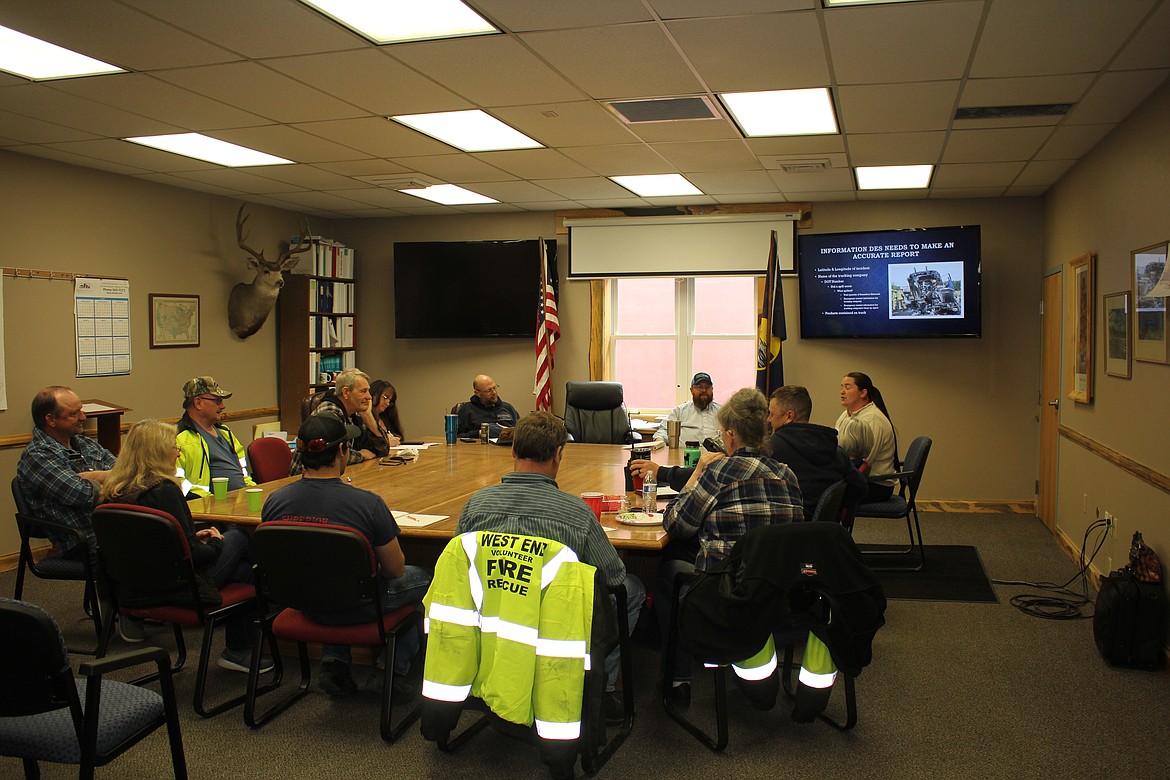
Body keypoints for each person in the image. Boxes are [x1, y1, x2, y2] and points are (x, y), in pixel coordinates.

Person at [456, 411, 646, 723]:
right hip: (556, 629)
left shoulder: (476, 505)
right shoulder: (576, 513)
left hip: (496, 618)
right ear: (559, 453)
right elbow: (613, 577)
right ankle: (602, 690)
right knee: (633, 590)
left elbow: (458, 567)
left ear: (514, 451)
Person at [262, 414, 432, 699]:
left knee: (328, 575)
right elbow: (394, 569)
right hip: (361, 605)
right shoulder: (367, 504)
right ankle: (392, 670)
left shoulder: (275, 502)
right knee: (430, 577)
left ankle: (334, 662)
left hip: (301, 601)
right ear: (342, 451)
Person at [657, 388, 804, 705]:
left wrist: (696, 474)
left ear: (730, 436)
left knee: (670, 567)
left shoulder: (718, 471)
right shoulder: (787, 475)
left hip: (725, 592)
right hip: (778, 592)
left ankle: (678, 679)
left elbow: (677, 525)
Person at [98, 419, 268, 670]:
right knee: (242, 539)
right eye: (173, 447)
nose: (177, 452)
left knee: (244, 572)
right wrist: (216, 543)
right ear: (158, 452)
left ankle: (242, 648)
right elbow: (195, 557)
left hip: (133, 586)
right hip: (178, 585)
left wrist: (192, 538)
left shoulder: (113, 491)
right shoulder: (163, 490)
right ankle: (244, 644)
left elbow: (152, 542)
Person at [16, 386, 116, 566]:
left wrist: (97, 476)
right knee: (152, 551)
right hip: (83, 540)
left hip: (112, 525)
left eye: (81, 410)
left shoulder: (84, 443)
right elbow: (81, 494)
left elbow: (125, 471)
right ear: (51, 420)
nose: (83, 417)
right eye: (74, 413)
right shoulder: (37, 456)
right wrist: (115, 481)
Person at [767, 385, 866, 521]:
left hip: (784, 530)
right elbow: (860, 487)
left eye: (772, 414)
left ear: (789, 416)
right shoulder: (836, 451)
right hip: (825, 531)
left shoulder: (769, 449)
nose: (769, 419)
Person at [175, 376, 256, 497]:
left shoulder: (225, 432)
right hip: (208, 507)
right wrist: (209, 500)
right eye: (217, 401)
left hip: (241, 499)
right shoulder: (179, 437)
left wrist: (252, 490)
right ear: (198, 403)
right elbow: (177, 481)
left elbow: (243, 472)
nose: (223, 406)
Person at [290, 368, 378, 474]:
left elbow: (380, 449)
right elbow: (334, 454)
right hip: (305, 478)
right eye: (363, 391)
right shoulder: (329, 413)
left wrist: (368, 416)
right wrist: (361, 455)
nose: (369, 397)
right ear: (346, 392)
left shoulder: (356, 412)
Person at [834, 372, 898, 503]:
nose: (842, 392)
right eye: (841, 387)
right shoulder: (846, 414)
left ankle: (837, 524)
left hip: (875, 484)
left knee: (829, 496)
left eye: (847, 387)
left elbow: (864, 463)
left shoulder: (873, 420)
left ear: (863, 393)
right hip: (856, 476)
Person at [653, 372, 721, 444]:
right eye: (699, 387)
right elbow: (663, 431)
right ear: (691, 390)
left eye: (707, 387)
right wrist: (659, 441)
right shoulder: (680, 411)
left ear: (712, 389)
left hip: (716, 454)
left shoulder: (722, 412)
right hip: (685, 454)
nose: (704, 390)